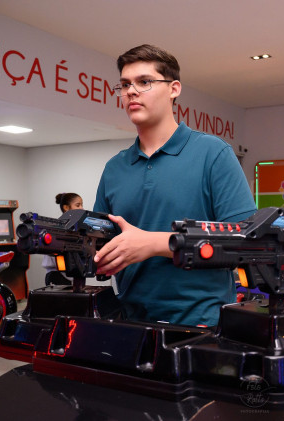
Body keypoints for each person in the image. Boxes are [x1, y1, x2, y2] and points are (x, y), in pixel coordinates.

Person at [93, 44, 256, 327]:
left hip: (204, 324)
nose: (131, 91)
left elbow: (246, 240)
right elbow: (101, 239)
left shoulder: (213, 153)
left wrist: (154, 244)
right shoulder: (114, 168)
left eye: (144, 82)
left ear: (174, 89)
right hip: (131, 322)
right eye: (125, 84)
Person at [42, 192, 84, 286]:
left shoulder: (75, 228)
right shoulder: (58, 228)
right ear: (66, 208)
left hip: (69, 276)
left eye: (82, 205)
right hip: (57, 275)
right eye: (78, 205)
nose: (81, 208)